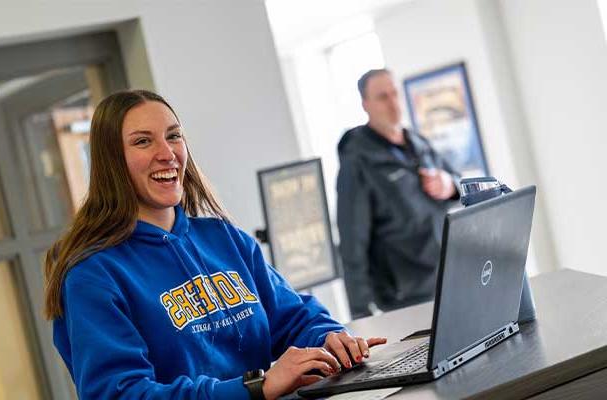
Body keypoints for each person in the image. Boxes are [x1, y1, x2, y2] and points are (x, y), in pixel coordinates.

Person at [43, 89, 387, 400]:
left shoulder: (224, 239)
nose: (167, 153)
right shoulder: (93, 275)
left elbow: (293, 317)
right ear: (112, 161)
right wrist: (255, 387)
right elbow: (122, 395)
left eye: (174, 136)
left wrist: (329, 339)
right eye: (143, 141)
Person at [337, 69, 459, 318]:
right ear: (366, 105)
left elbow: (462, 183)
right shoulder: (357, 161)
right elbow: (352, 243)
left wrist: (450, 185)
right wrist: (361, 315)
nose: (393, 103)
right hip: (406, 297)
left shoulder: (418, 143)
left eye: (395, 94)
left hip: (449, 275)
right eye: (383, 97)